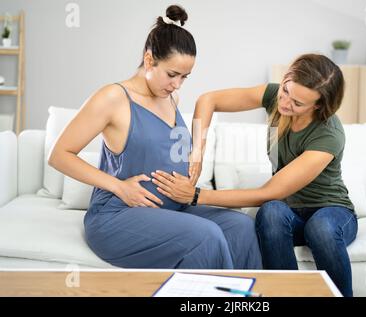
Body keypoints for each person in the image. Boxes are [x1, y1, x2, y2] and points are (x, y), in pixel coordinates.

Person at [48, 5, 262, 270]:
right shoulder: (113, 98)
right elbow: (59, 155)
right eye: (172, 74)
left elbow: (170, 146)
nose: (177, 84)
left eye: (184, 77)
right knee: (206, 237)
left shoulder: (171, 97)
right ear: (149, 60)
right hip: (118, 215)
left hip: (171, 209)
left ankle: (246, 298)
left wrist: (195, 154)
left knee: (240, 226)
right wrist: (119, 187)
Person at [151, 54, 358, 296]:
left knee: (319, 228)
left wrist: (196, 195)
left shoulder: (328, 134)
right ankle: (284, 295)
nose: (285, 102)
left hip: (331, 210)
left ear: (319, 105)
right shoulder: (275, 96)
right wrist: (197, 150)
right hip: (291, 213)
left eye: (298, 103)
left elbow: (270, 191)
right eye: (286, 90)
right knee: (271, 212)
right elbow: (209, 100)